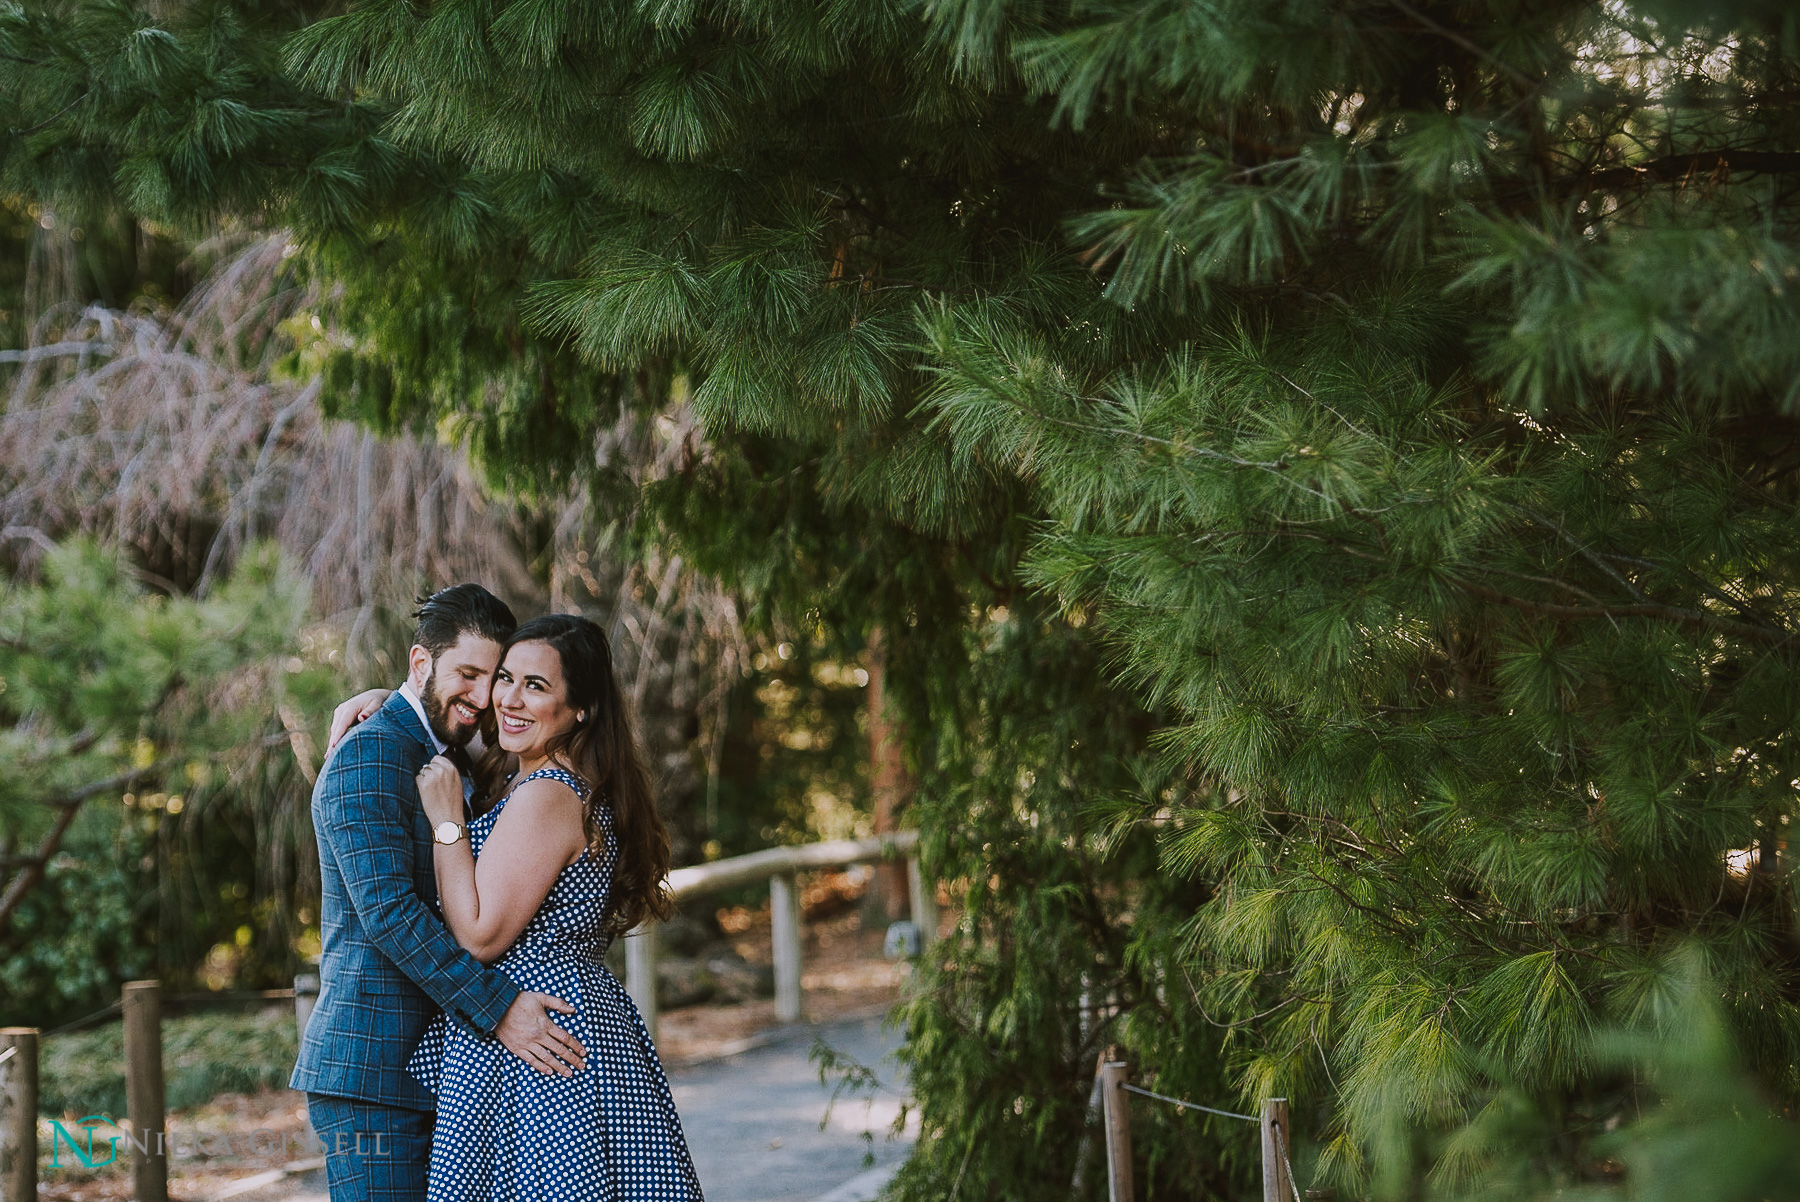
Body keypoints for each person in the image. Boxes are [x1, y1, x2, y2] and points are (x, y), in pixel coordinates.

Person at [338, 613, 703, 1201]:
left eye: (536, 686)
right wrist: (391, 702)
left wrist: (449, 824)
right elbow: (447, 716)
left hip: (537, 1044)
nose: (507, 698)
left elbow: (480, 936)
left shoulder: (546, 795)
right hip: (548, 1028)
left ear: (579, 707)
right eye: (504, 678)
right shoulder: (535, 778)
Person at [293, 586, 590, 1202]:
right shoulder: (368, 754)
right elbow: (390, 916)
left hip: (447, 1073)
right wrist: (499, 1007)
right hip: (372, 1078)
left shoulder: (456, 751)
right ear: (420, 663)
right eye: (468, 675)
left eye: (495, 677)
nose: (484, 698)